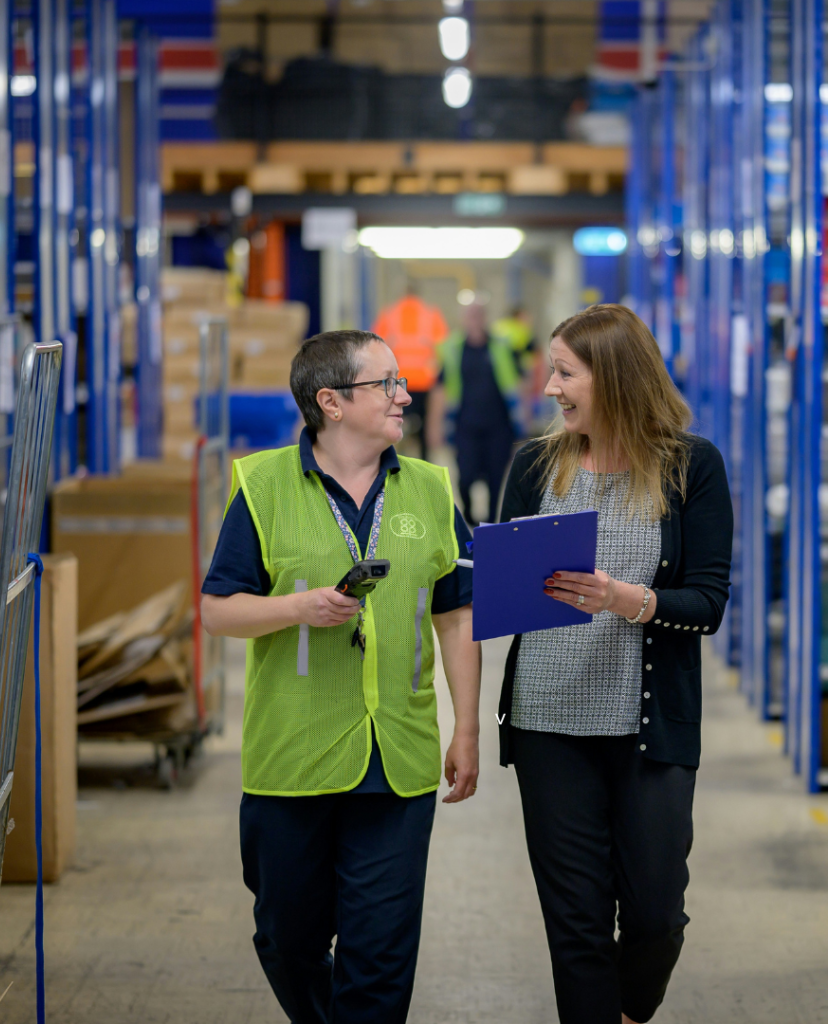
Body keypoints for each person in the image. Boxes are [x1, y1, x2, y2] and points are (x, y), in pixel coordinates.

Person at [200, 329, 481, 1024]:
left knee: (380, 953)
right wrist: (296, 607)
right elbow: (215, 610)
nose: (403, 393)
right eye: (385, 383)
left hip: (399, 757)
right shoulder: (262, 486)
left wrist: (468, 727)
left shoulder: (428, 488)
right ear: (331, 401)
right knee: (287, 939)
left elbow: (455, 615)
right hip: (292, 755)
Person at [496, 304, 733, 1024]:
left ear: (617, 377)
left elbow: (708, 603)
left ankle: (630, 1012)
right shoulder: (535, 464)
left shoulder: (693, 466)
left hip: (648, 730)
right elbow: (505, 595)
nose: (549, 388)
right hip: (548, 724)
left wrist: (624, 598)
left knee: (658, 915)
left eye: (565, 373)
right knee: (577, 924)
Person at [429, 302, 523, 525]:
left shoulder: (501, 346)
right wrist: (434, 426)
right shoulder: (452, 348)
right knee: (465, 476)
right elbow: (440, 390)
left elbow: (519, 384)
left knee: (496, 478)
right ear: (463, 318)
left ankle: (490, 524)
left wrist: (524, 420)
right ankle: (470, 514)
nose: (474, 319)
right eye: (470, 315)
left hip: (499, 425)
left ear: (485, 317)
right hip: (465, 426)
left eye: (478, 314)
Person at [372, 284, 450, 460]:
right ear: (418, 295)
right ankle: (422, 461)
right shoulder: (431, 314)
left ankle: (395, 461)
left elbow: (376, 346)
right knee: (423, 427)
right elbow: (443, 347)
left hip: (397, 381)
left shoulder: (389, 314)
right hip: (425, 380)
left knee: (395, 423)